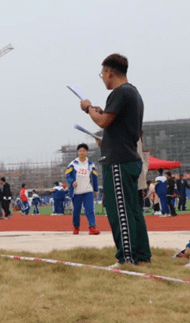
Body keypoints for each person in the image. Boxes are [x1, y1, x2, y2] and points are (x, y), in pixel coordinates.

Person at [80, 53, 151, 266]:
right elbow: (113, 120)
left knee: (119, 211)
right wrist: (100, 111)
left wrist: (88, 109)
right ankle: (141, 256)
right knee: (132, 210)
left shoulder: (120, 92)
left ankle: (126, 258)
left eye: (102, 73)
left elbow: (102, 121)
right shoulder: (133, 93)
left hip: (118, 161)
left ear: (109, 72)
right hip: (128, 158)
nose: (102, 77)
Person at [65, 143, 100, 235]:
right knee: (76, 211)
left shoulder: (91, 164)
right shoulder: (73, 164)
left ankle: (92, 227)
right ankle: (76, 227)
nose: (82, 152)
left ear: (87, 152)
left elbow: (95, 178)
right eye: (80, 151)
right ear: (78, 152)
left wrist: (95, 190)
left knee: (90, 210)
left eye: (84, 151)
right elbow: (67, 175)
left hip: (88, 191)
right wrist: (72, 182)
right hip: (76, 192)